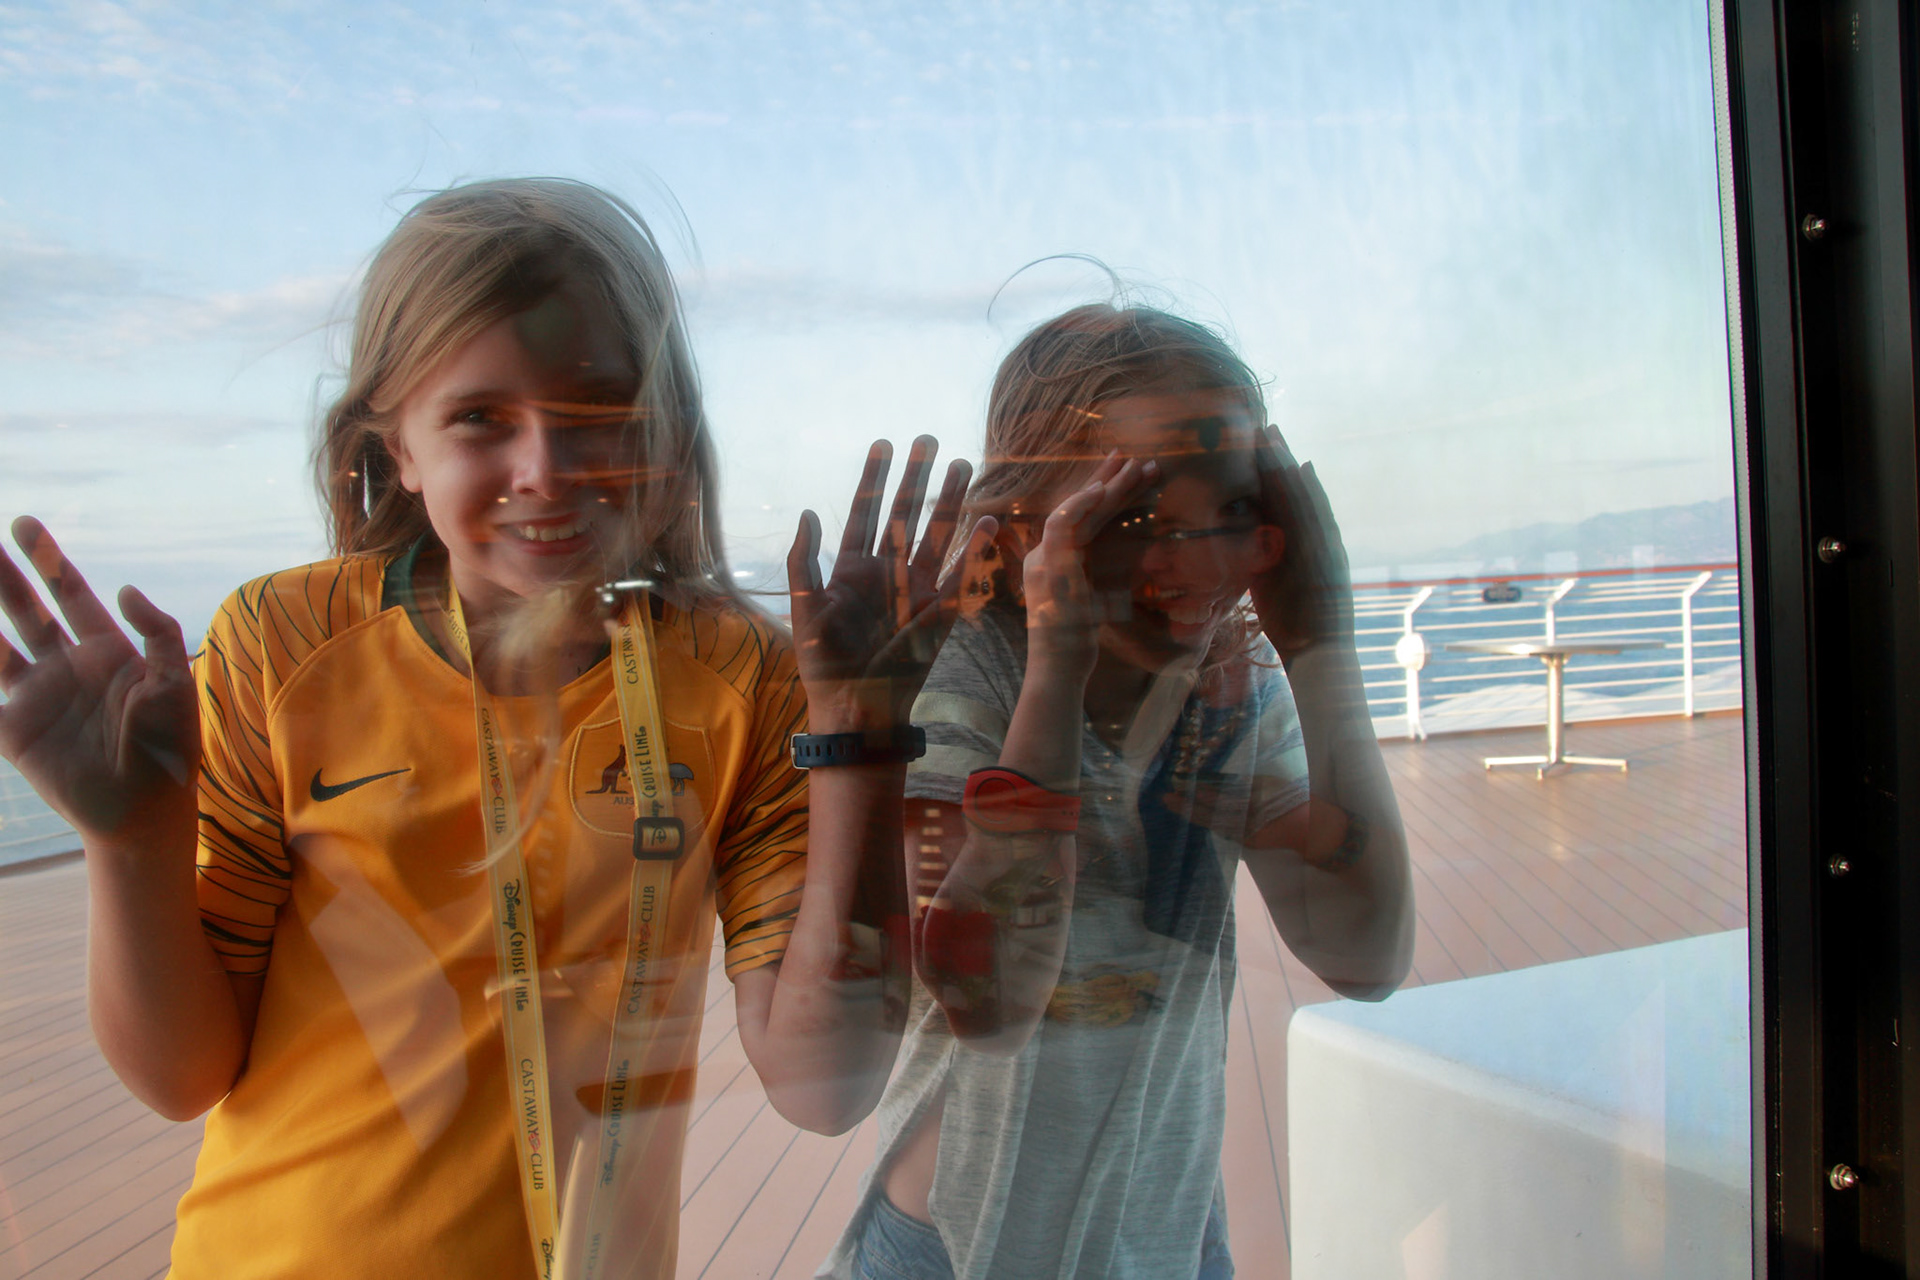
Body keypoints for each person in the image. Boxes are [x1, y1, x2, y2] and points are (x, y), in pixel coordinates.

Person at [0, 178, 988, 1280]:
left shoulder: (737, 678)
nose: (545, 470)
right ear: (397, 446)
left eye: (598, 408)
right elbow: (181, 1076)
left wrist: (858, 734)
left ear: (663, 430)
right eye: (481, 417)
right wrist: (130, 840)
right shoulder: (282, 643)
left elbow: (823, 1086)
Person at [822, 303, 1417, 1280]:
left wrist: (1322, 644)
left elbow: (1368, 955)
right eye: (1139, 516)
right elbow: (991, 1001)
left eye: (1234, 510)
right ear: (1025, 527)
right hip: (962, 1250)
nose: (1201, 559)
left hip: (1168, 1237)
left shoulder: (1229, 689)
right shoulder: (964, 678)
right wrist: (1057, 670)